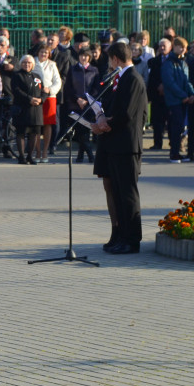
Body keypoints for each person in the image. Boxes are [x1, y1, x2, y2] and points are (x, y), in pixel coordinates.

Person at [89, 42, 146, 255]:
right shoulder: (123, 78)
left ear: (115, 58)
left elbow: (128, 114)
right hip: (118, 145)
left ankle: (132, 240)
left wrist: (105, 124)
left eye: (109, 59)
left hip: (126, 145)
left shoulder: (132, 78)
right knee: (120, 194)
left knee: (128, 195)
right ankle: (122, 236)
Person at [162, 37, 194, 164]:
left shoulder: (183, 63)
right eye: (180, 46)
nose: (183, 49)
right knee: (175, 127)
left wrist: (192, 93)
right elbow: (169, 83)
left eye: (185, 47)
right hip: (173, 101)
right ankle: (174, 153)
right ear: (174, 47)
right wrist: (183, 96)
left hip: (183, 100)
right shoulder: (168, 63)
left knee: (180, 127)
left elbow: (186, 81)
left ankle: (176, 152)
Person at [64, 46, 99, 163]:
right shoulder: (73, 69)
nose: (83, 58)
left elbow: (96, 88)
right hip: (75, 104)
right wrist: (77, 99)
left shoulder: (94, 70)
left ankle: (81, 156)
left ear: (89, 57)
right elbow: (68, 87)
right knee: (80, 129)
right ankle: (89, 155)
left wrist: (85, 100)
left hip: (88, 104)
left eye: (86, 56)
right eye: (81, 55)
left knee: (85, 130)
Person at [11, 55, 43, 164]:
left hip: (36, 109)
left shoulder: (37, 76)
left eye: (29, 62)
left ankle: (30, 156)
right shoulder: (17, 75)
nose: (27, 64)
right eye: (24, 62)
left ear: (33, 64)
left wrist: (40, 100)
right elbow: (16, 90)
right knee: (21, 133)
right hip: (22, 108)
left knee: (34, 133)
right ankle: (21, 156)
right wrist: (30, 99)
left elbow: (43, 90)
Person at [33, 45, 61, 163]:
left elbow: (57, 81)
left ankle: (45, 151)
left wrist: (50, 89)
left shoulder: (52, 64)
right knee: (37, 125)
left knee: (48, 124)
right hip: (36, 97)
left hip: (49, 98)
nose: (43, 54)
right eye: (42, 52)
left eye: (46, 53)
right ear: (38, 52)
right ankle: (37, 151)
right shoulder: (32, 62)